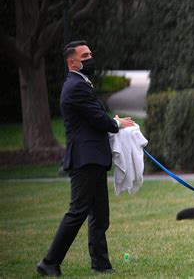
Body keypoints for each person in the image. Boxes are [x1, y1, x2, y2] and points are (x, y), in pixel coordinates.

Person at [36, 40, 135, 276]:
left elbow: (95, 114)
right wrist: (116, 124)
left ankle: (100, 263)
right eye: (85, 55)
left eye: (90, 53)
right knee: (77, 211)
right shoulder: (75, 86)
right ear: (72, 62)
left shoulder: (81, 83)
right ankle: (49, 262)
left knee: (99, 214)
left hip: (94, 158)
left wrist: (114, 120)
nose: (90, 58)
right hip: (85, 159)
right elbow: (98, 120)